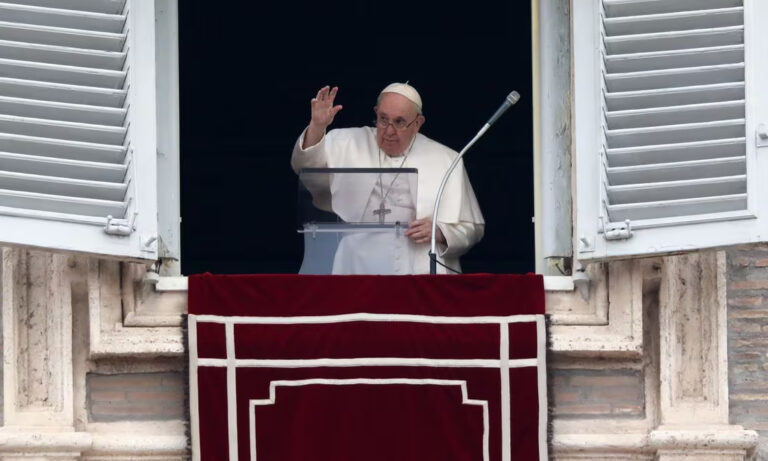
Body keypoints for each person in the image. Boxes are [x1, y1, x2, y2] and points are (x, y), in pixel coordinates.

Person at [291, 83, 484, 274]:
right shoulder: (347, 141)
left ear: (418, 123)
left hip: (420, 265)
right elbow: (306, 169)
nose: (389, 131)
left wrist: (441, 232)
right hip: (356, 263)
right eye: (383, 119)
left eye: (399, 122)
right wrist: (317, 127)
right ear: (376, 112)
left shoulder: (446, 159)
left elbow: (471, 228)